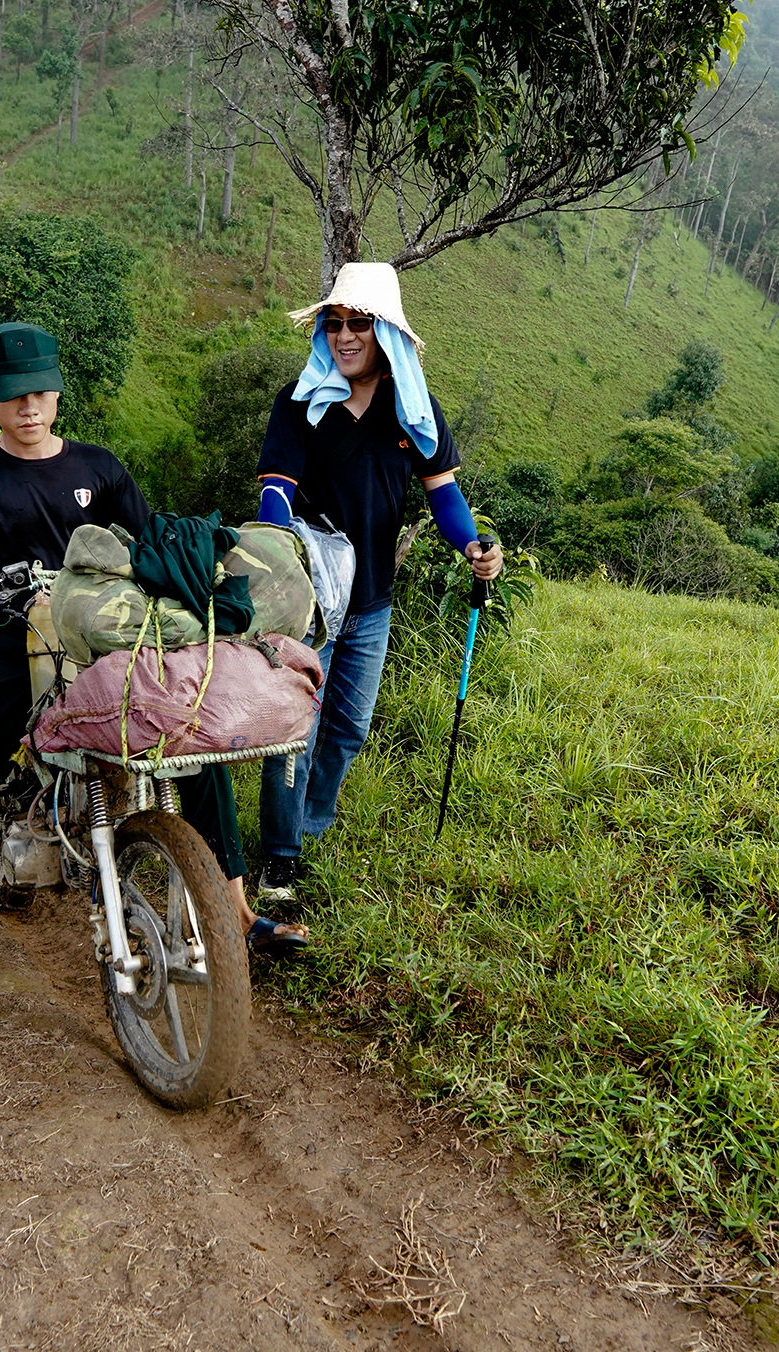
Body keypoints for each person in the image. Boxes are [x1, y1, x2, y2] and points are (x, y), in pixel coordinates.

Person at [0, 321, 306, 1036]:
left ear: (58, 390)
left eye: (41, 391)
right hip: (10, 637)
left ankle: (236, 910)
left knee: (190, 733)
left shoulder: (100, 468)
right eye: (13, 394)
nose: (29, 406)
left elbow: (148, 546)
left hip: (110, 637)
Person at [253, 263, 504, 902]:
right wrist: (281, 553)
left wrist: (473, 544)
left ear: (385, 332)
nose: (343, 335)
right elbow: (275, 493)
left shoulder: (411, 408)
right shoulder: (300, 404)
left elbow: (442, 495)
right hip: (310, 604)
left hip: (371, 604)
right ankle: (279, 860)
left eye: (358, 323)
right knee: (293, 731)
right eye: (333, 324)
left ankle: (310, 828)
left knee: (348, 728)